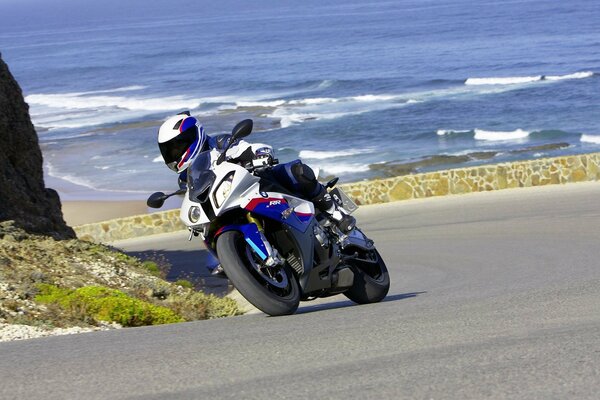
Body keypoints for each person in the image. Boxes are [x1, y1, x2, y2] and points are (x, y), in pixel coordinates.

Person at [157, 111, 356, 233]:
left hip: (258, 183)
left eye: (177, 146)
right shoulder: (185, 178)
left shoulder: (220, 143)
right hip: (230, 203)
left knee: (297, 171)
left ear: (193, 136)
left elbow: (247, 147)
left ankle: (334, 212)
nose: (175, 153)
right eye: (170, 150)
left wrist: (260, 154)